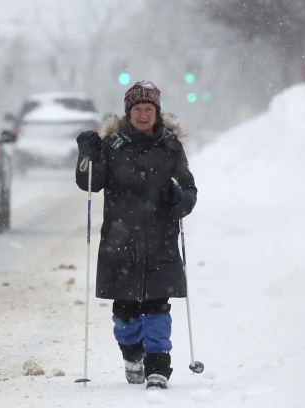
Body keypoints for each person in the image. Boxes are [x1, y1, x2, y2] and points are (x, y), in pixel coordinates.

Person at [75, 80, 197, 390]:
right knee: (125, 314)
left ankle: (158, 368)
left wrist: (180, 198)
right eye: (137, 109)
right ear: (128, 113)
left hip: (160, 241)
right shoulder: (112, 145)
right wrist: (86, 155)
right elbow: (90, 183)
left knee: (157, 308)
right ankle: (132, 354)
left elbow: (188, 189)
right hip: (120, 243)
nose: (143, 114)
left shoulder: (171, 147)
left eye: (149, 109)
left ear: (157, 112)